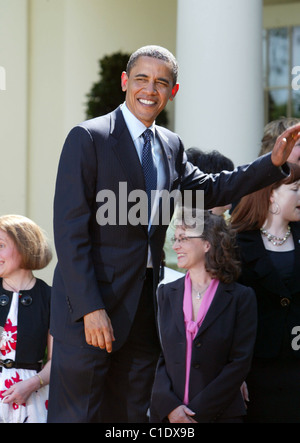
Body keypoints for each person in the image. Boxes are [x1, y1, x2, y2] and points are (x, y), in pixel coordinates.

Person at [47, 44, 300, 423]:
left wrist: (272, 164)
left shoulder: (170, 145)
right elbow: (70, 232)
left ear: (172, 92)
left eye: (161, 83)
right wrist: (90, 308)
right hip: (92, 309)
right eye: (141, 79)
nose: (150, 89)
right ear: (124, 82)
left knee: (129, 417)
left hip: (144, 312)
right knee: (80, 415)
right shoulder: (89, 138)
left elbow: (213, 189)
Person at [150, 209, 257, 423]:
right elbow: (157, 355)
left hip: (222, 415)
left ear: (207, 244)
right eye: (175, 239)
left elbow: (239, 363)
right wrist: (171, 408)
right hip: (169, 417)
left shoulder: (241, 297)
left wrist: (196, 413)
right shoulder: (165, 293)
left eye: (183, 239)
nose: (175, 246)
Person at [231, 175, 300, 422]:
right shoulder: (236, 242)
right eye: (295, 189)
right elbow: (228, 313)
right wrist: (233, 373)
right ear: (271, 194)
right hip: (253, 369)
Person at [0, 215, 52, 423]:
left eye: (1, 245)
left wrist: (32, 384)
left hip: (33, 399)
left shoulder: (50, 297)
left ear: (24, 247)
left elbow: (56, 360)